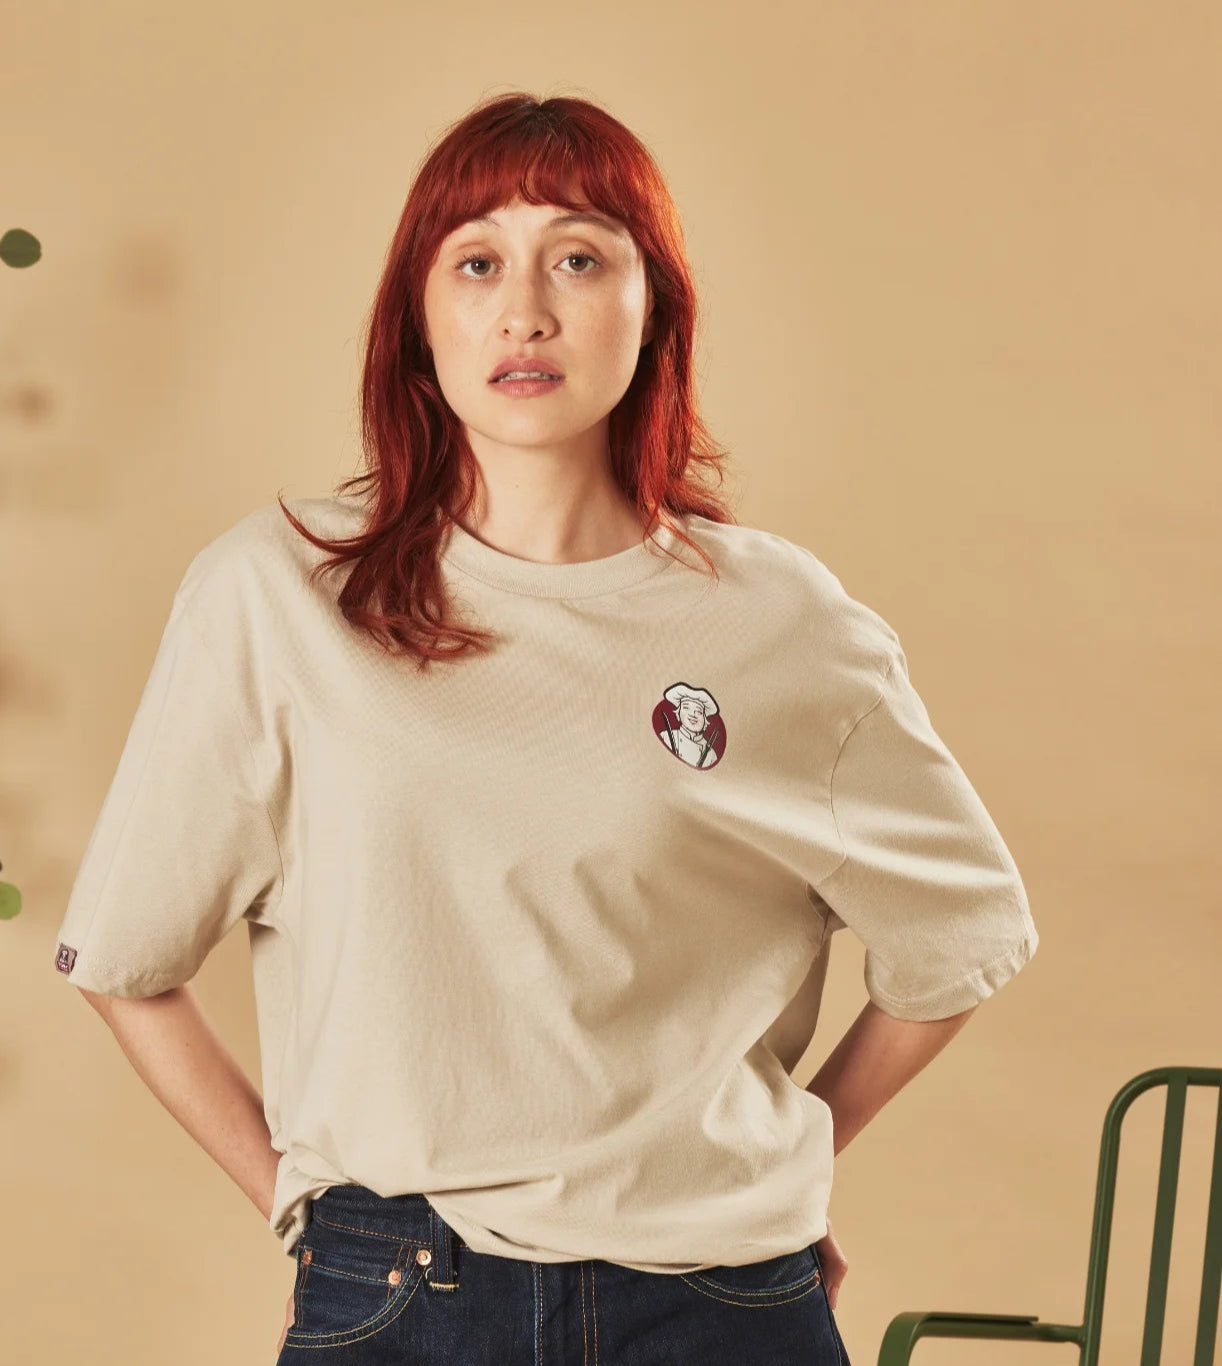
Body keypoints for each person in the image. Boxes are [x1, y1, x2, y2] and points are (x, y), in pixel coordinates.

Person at [53, 90, 1039, 1365]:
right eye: (477, 262)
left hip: (722, 1304)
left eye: (579, 257)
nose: (526, 308)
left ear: (655, 306)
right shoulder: (274, 594)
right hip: (398, 1294)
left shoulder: (780, 619)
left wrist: (773, 1169)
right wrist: (312, 1220)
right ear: (418, 317)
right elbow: (124, 963)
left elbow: (960, 932)